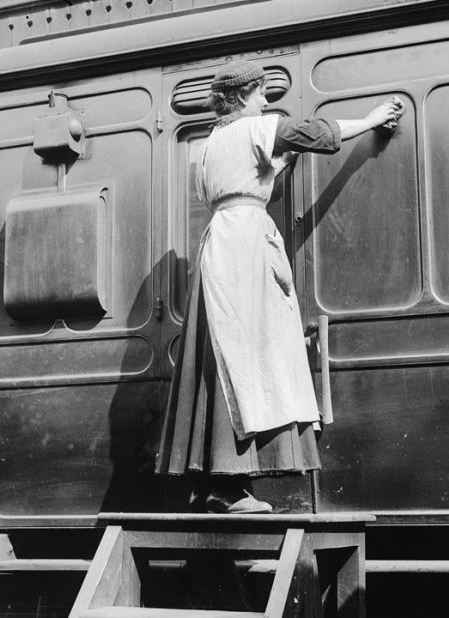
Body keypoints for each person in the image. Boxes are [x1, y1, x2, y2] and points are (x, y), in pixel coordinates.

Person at [156, 60, 405, 513]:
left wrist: (277, 165)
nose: (266, 101)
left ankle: (212, 483)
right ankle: (228, 488)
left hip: (222, 246)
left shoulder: (213, 144)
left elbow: (246, 183)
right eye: (260, 93)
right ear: (241, 97)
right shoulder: (258, 128)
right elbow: (316, 134)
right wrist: (371, 120)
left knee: (224, 361)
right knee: (248, 356)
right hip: (245, 250)